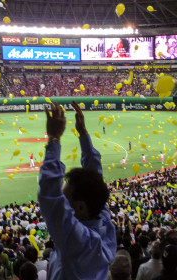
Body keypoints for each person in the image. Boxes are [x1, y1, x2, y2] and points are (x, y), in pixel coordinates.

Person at [38, 101, 116, 280]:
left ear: (80, 208)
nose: (62, 201)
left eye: (65, 198)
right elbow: (95, 176)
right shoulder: (102, 220)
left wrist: (54, 139)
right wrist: (83, 134)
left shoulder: (77, 239)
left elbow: (49, 196)